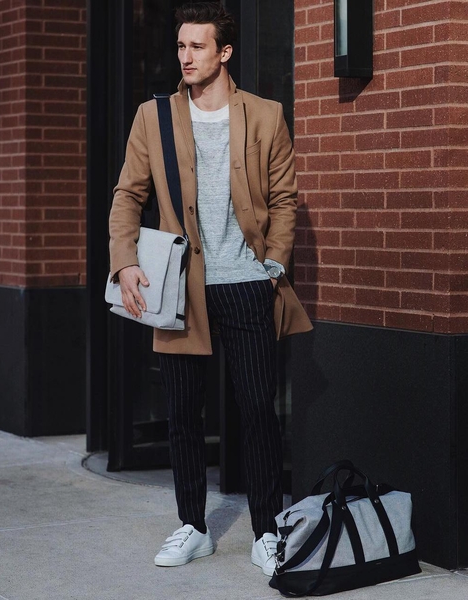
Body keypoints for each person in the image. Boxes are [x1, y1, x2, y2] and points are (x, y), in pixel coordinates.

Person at [108, 1, 312, 576]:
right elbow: (128, 194)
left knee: (259, 411)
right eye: (180, 45)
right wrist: (125, 261)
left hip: (248, 283)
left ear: (224, 52)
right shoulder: (154, 117)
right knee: (182, 414)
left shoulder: (266, 115)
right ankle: (193, 527)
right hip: (181, 289)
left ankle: (266, 529)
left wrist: (273, 265)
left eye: (197, 46)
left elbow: (284, 198)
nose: (186, 56)